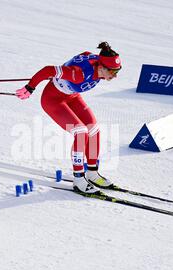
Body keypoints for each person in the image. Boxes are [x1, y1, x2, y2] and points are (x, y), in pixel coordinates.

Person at [16, 42, 122, 194]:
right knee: (81, 133)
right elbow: (48, 70)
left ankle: (92, 173)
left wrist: (59, 77)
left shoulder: (97, 63)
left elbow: (84, 54)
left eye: (117, 71)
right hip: (53, 100)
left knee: (94, 130)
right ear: (101, 67)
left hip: (72, 97)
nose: (115, 76)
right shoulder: (78, 73)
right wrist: (30, 87)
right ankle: (79, 179)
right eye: (112, 72)